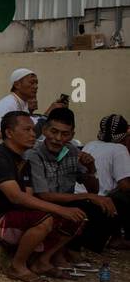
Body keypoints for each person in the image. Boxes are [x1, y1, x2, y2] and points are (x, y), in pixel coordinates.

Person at [0, 110, 86, 282]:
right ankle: (17, 266)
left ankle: (42, 261)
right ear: (9, 133)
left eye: (33, 130)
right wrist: (60, 209)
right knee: (46, 219)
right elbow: (17, 197)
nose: (33, 134)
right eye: (27, 130)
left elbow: (29, 196)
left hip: (15, 216)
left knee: (76, 218)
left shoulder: (23, 161)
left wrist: (63, 213)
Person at [25, 107, 123, 253]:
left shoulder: (72, 152)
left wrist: (91, 168)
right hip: (44, 204)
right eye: (54, 131)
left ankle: (76, 250)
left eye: (65, 134)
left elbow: (93, 190)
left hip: (66, 201)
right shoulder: (34, 155)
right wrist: (88, 196)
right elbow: (44, 195)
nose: (58, 138)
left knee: (108, 207)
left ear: (72, 135)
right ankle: (58, 253)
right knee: (83, 208)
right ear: (45, 130)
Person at [0, 68, 65, 151]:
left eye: (36, 83)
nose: (36, 87)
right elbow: (0, 133)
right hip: (0, 152)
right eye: (32, 83)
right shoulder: (7, 103)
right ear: (17, 84)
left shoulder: (23, 103)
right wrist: (47, 114)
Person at [82, 113, 130, 241]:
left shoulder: (90, 144)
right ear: (125, 134)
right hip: (101, 202)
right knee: (124, 195)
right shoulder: (119, 149)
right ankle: (118, 239)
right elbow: (124, 185)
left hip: (82, 198)